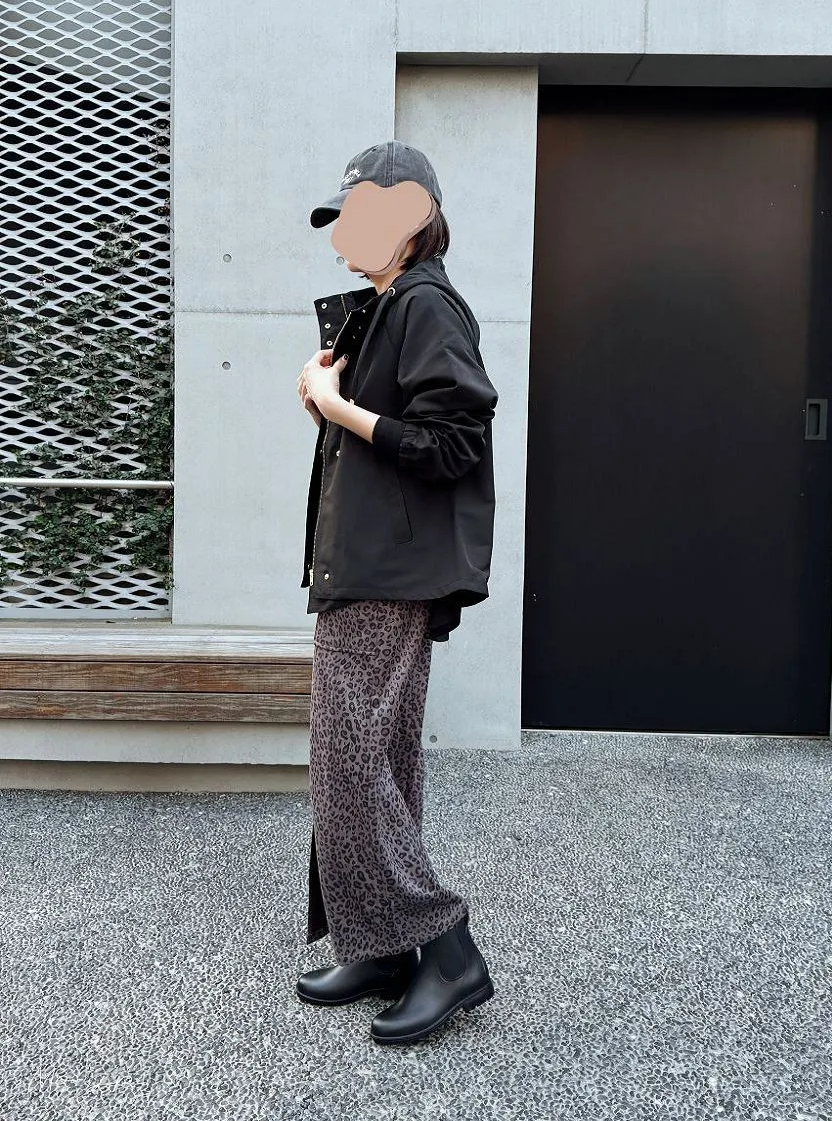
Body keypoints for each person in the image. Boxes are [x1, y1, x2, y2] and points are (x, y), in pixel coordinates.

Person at [294, 141, 498, 1046]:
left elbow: (454, 442)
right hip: (372, 564)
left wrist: (340, 407)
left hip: (386, 573)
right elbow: (393, 434)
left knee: (350, 762)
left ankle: (446, 952)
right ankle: (382, 946)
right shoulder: (385, 309)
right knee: (378, 757)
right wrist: (328, 399)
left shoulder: (424, 305)